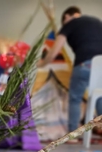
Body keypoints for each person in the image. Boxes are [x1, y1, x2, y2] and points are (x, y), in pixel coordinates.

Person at [38, 6, 102, 143]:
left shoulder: (69, 24)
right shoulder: (96, 21)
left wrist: (41, 64)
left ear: (67, 17)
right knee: (100, 97)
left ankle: (73, 135)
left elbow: (55, 51)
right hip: (101, 64)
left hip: (84, 64)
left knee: (75, 98)